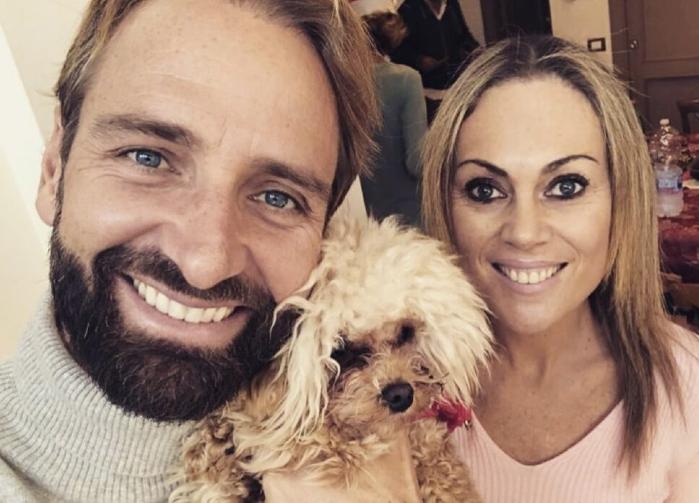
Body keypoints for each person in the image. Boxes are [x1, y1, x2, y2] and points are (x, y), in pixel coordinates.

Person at [0, 0, 422, 501]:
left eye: (277, 198)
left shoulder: (394, 445)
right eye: (148, 157)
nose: (206, 263)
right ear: (53, 168)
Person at [421, 36, 699, 501]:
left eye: (566, 186)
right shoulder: (391, 384)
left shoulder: (697, 390)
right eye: (485, 190)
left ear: (621, 198)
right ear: (445, 207)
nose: (524, 232)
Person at [360, 11, 427, 226]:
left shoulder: (347, 83)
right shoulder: (406, 79)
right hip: (410, 209)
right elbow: (417, 161)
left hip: (368, 212)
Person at [392, 0, 479, 91]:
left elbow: (464, 36)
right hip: (426, 87)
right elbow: (396, 52)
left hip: (457, 80)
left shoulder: (452, 3)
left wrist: (478, 51)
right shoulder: (408, 9)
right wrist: (418, 60)